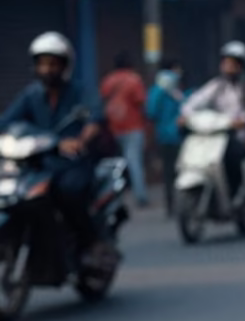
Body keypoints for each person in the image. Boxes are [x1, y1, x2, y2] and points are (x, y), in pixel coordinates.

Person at [0, 32, 103, 251]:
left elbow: (95, 119)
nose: (47, 70)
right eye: (42, 64)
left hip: (72, 163)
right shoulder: (31, 95)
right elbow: (7, 121)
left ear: (64, 66)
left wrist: (81, 140)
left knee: (69, 192)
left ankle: (88, 243)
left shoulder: (80, 92)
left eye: (53, 64)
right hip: (40, 163)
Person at [181, 41, 245, 198]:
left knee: (232, 158)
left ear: (240, 65)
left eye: (232, 63)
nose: (227, 66)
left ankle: (235, 192)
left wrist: (242, 121)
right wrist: (185, 116)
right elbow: (196, 101)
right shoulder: (216, 85)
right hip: (216, 134)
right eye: (225, 62)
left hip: (240, 137)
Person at [100, 51, 148, 205]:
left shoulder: (108, 80)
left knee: (114, 165)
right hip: (133, 127)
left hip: (113, 127)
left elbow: (102, 99)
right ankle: (141, 197)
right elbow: (141, 101)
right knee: (134, 162)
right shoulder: (134, 80)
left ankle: (112, 197)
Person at [147, 59, 184, 216]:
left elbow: (151, 112)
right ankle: (182, 205)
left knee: (169, 173)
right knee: (181, 171)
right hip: (179, 136)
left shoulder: (157, 90)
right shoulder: (176, 89)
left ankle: (171, 205)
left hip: (164, 136)